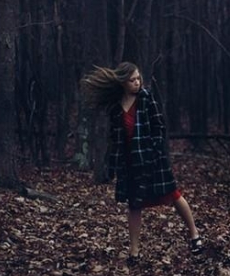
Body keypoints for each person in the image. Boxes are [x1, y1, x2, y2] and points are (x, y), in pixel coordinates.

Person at [81, 62, 202, 265]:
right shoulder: (116, 107)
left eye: (138, 78)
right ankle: (134, 252)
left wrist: (154, 150)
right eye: (132, 80)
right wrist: (112, 165)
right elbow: (115, 138)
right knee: (134, 204)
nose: (137, 83)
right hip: (130, 162)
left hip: (152, 159)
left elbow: (159, 127)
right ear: (123, 82)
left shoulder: (146, 98)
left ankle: (195, 235)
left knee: (173, 195)